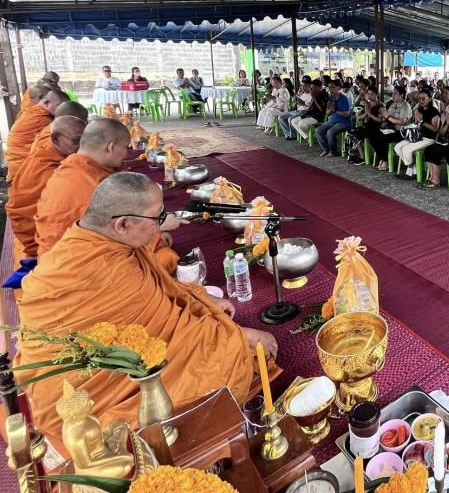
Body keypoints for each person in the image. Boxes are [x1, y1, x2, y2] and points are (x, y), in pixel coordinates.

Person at [16, 171, 277, 445]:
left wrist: (202, 300)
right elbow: (170, 341)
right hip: (86, 412)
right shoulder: (107, 273)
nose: (162, 225)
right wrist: (239, 336)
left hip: (59, 392)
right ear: (123, 224)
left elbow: (158, 297)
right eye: (157, 218)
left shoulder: (86, 240)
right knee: (243, 353)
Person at [34, 119, 183, 271]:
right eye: (125, 147)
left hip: (52, 257)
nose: (125, 154)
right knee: (164, 260)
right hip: (75, 265)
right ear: (110, 147)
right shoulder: (94, 186)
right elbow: (120, 231)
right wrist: (158, 231)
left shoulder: (68, 169)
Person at [6, 115, 87, 261]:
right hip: (37, 238)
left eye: (85, 140)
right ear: (55, 139)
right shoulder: (47, 168)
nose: (82, 146)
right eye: (76, 141)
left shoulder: (55, 155)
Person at [6, 84, 67, 180]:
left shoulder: (34, 111)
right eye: (59, 106)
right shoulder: (41, 119)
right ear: (45, 102)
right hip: (21, 164)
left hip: (17, 159)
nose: (62, 110)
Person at [394, 89, 441, 179]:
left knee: (406, 149)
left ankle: (410, 171)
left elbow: (435, 129)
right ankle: (413, 167)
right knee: (397, 147)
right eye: (419, 99)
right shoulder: (419, 109)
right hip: (417, 136)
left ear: (430, 99)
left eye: (424, 98)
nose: (421, 101)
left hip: (428, 139)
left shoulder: (434, 111)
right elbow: (416, 124)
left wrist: (422, 121)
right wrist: (416, 118)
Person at [369, 86, 413, 170]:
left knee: (383, 138)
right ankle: (383, 158)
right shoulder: (392, 104)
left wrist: (387, 116)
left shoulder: (406, 106)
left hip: (402, 132)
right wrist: (382, 115)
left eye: (395, 94)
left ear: (402, 95)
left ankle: (385, 161)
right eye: (392, 93)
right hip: (392, 129)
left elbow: (402, 122)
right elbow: (386, 117)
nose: (392, 95)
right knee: (373, 136)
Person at [316, 80, 353, 157]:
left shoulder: (344, 98)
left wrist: (335, 110)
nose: (330, 89)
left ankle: (333, 152)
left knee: (330, 132)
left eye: (332, 87)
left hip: (344, 122)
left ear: (338, 88)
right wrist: (330, 108)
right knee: (318, 131)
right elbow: (328, 113)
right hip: (332, 121)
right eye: (329, 87)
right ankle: (326, 150)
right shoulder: (331, 98)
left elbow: (347, 114)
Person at [278, 76, 313, 140]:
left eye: (305, 86)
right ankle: (288, 134)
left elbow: (309, 106)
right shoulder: (303, 94)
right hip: (297, 110)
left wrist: (302, 104)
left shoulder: (312, 94)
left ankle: (293, 135)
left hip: (304, 111)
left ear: (310, 86)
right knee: (281, 117)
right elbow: (298, 103)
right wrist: (299, 99)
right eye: (303, 86)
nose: (303, 88)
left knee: (290, 119)